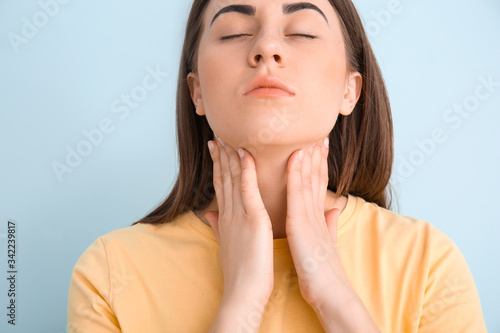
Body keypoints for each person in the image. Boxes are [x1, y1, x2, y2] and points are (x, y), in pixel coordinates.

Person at [67, 0, 488, 332]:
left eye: (302, 31)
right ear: (196, 92)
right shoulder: (109, 272)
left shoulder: (427, 262)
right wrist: (242, 301)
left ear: (350, 91)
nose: (266, 48)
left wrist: (333, 295)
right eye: (234, 32)